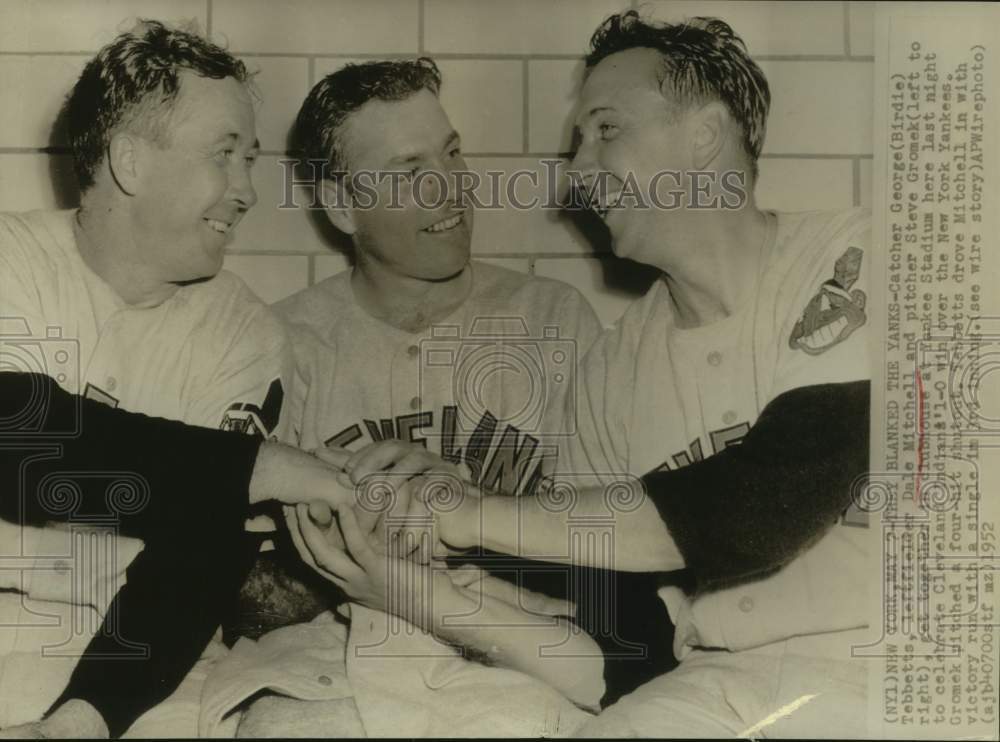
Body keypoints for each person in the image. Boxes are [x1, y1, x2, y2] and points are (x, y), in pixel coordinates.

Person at [298, 11, 871, 738]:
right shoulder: (611, 369)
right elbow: (621, 653)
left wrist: (469, 515)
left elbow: (765, 501)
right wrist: (417, 572)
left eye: (606, 130)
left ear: (704, 136)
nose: (577, 172)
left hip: (892, 664)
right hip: (713, 688)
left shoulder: (856, 257)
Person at [202, 58, 634, 738]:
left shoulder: (553, 318)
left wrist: (469, 510)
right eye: (409, 171)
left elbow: (615, 558)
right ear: (342, 207)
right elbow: (238, 601)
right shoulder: (281, 342)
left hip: (520, 667)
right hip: (337, 673)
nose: (451, 188)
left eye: (452, 152)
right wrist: (361, 530)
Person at [0, 20, 353, 738]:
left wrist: (85, 719)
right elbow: (17, 436)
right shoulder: (11, 259)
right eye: (225, 156)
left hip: (134, 655)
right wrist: (258, 465)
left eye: (249, 160)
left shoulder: (243, 332)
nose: (247, 190)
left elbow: (204, 550)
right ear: (129, 161)